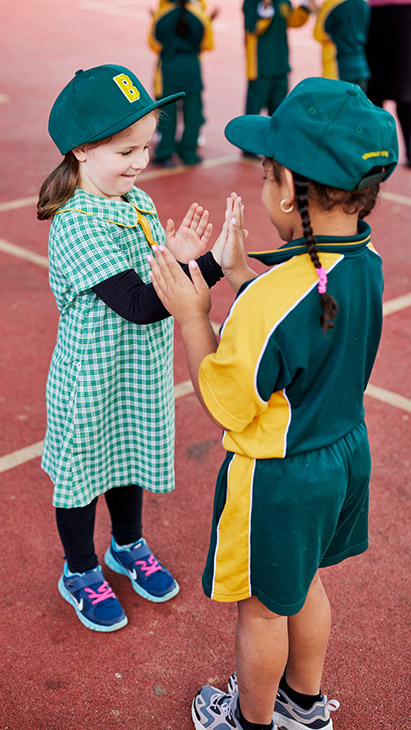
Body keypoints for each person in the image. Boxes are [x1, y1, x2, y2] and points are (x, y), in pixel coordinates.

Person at [147, 77, 398, 730]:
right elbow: (308, 309)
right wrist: (238, 274)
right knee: (305, 584)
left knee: (260, 610)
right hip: (340, 456)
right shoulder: (362, 261)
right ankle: (303, 707)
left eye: (266, 172)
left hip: (278, 477)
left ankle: (249, 722)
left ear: (286, 188)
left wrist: (193, 312)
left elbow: (225, 403)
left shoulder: (270, 301)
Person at [37, 63, 226, 632]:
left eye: (145, 146)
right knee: (79, 473)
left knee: (126, 459)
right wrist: (216, 266)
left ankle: (127, 545)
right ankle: (79, 570)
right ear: (81, 151)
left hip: (136, 368)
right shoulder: (76, 223)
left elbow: (154, 279)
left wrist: (181, 256)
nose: (141, 161)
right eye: (126, 151)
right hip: (91, 374)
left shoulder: (135, 201)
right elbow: (142, 304)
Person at [148, 0, 216, 167]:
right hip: (192, 69)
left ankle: (165, 152)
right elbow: (208, 44)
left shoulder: (161, 14)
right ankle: (189, 153)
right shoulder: (200, 15)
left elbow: (153, 43)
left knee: (167, 112)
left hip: (169, 69)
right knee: (193, 113)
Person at [241, 0, 310, 159]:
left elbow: (292, 20)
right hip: (261, 68)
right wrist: (265, 7)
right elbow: (254, 28)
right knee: (254, 110)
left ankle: (275, 147)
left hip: (281, 66)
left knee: (279, 111)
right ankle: (248, 147)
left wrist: (305, 7)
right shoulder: (251, 3)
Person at [366, 0, 411, 167]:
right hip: (394, 14)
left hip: (383, 14)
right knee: (402, 93)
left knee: (380, 94)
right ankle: (376, 151)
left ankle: (374, 152)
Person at [313, 0, 370, 91]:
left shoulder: (331, 4)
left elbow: (319, 34)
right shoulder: (363, 4)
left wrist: (318, 13)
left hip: (337, 69)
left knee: (335, 103)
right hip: (360, 67)